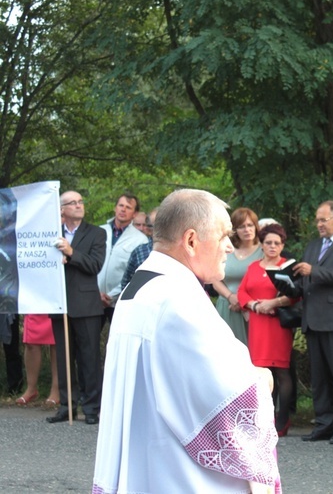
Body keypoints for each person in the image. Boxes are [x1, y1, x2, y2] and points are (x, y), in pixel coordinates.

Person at [93, 189, 280, 493]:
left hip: (147, 466)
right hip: (180, 476)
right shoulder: (178, 300)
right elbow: (227, 392)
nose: (230, 247)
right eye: (223, 236)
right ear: (191, 240)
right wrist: (264, 379)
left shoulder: (141, 285)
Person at [274, 201, 333, 445]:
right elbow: (306, 282)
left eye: (323, 219)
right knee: (319, 378)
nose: (318, 224)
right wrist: (286, 283)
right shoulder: (314, 245)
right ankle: (324, 423)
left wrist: (312, 271)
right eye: (317, 219)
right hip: (313, 319)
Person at [47, 191, 107, 425]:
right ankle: (66, 406)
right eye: (72, 203)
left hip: (86, 304)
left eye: (81, 201)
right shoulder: (51, 234)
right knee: (64, 358)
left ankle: (91, 407)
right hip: (59, 303)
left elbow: (95, 265)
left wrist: (71, 254)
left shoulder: (96, 233)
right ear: (61, 209)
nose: (79, 205)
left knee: (89, 358)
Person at [236, 223, 296, 437]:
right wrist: (253, 305)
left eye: (277, 243)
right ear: (261, 244)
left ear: (282, 245)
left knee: (281, 371)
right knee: (260, 372)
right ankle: (264, 417)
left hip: (278, 324)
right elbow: (242, 291)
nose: (272, 246)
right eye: (268, 242)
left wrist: (274, 303)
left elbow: (296, 294)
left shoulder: (287, 266)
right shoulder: (253, 267)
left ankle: (282, 418)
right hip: (258, 324)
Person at [212, 208, 264, 345]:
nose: (247, 230)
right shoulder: (227, 249)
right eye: (241, 227)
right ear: (234, 230)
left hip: (253, 310)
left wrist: (243, 301)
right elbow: (214, 278)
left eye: (250, 225)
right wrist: (230, 296)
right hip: (228, 307)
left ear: (256, 227)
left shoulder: (265, 250)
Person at [98, 193, 148, 319]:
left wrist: (112, 296)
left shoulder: (140, 240)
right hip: (94, 298)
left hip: (119, 302)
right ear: (115, 208)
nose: (123, 209)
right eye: (121, 205)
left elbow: (135, 274)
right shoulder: (99, 232)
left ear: (135, 214)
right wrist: (95, 293)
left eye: (128, 207)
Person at [15, 314, 59, 406]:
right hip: (36, 301)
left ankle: (56, 389)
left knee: (57, 340)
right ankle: (31, 389)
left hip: (54, 301)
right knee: (31, 341)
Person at [119, 208, 159, 291]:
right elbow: (126, 284)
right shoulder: (140, 252)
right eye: (157, 225)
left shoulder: (181, 250)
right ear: (148, 229)